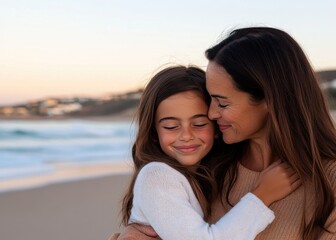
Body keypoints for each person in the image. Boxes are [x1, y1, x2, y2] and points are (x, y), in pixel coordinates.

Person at [112, 27, 336, 240]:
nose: (210, 114)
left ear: (270, 100)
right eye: (210, 100)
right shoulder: (208, 167)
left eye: (221, 102)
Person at [120, 65, 300, 240]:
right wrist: (263, 195)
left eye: (199, 124)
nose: (186, 136)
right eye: (171, 126)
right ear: (153, 132)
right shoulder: (157, 175)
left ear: (216, 127)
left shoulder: (206, 175)